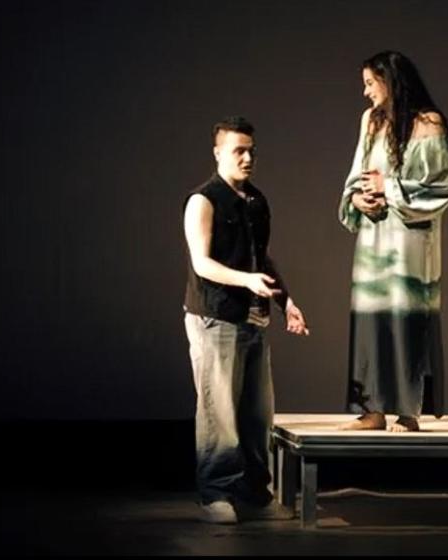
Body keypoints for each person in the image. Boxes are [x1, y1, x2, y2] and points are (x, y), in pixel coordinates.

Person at [183, 116, 309, 524]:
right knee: (219, 412)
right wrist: (246, 280)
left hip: (253, 320)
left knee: (257, 414)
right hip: (215, 317)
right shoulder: (203, 200)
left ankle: (254, 494)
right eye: (239, 150)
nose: (248, 158)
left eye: (251, 150)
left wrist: (286, 301)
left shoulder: (256, 200)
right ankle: (216, 494)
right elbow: (202, 264)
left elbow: (261, 258)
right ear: (218, 153)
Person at [338, 51, 448, 433]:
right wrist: (357, 198)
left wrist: (387, 187)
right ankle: (372, 410)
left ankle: (408, 411)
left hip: (409, 243)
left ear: (390, 81)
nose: (365, 91)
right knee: (370, 320)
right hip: (374, 240)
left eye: (370, 83)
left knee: (406, 321)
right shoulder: (370, 121)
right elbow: (358, 173)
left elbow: (441, 186)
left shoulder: (428, 124)